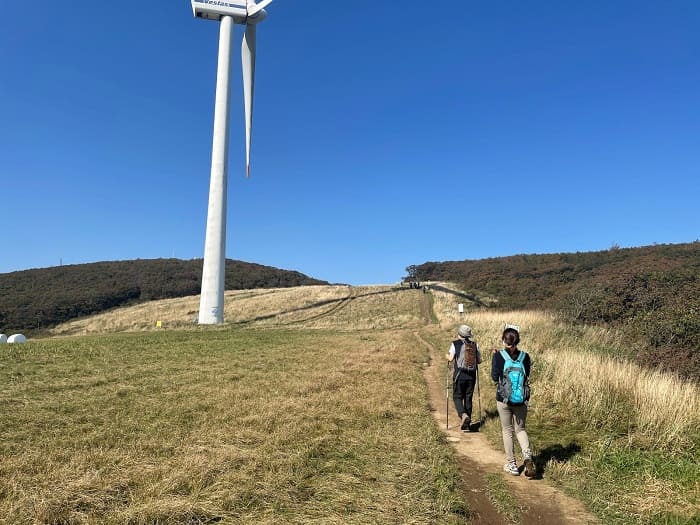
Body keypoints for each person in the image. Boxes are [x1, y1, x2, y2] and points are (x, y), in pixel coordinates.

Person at [491, 326, 535, 477]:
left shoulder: (498, 356)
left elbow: (494, 376)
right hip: (521, 400)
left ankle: (512, 464)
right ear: (518, 341)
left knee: (507, 430)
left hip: (504, 399)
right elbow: (527, 374)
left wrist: (495, 358)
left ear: (504, 340)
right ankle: (528, 456)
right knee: (521, 429)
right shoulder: (525, 356)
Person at [446, 324, 482, 431]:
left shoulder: (455, 344)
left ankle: (463, 415)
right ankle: (468, 424)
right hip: (471, 376)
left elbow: (451, 358)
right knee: (468, 397)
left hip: (459, 375)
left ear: (459, 334)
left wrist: (446, 356)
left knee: (457, 397)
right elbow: (479, 360)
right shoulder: (474, 344)